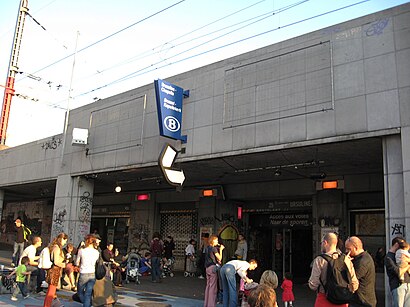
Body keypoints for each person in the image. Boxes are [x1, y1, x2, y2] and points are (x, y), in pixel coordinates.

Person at [308, 232, 358, 307]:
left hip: (324, 299)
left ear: (325, 242)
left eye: (321, 243)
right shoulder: (346, 260)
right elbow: (355, 284)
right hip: (342, 301)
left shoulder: (320, 260)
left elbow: (313, 285)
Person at [344, 236, 376, 307]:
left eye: (348, 249)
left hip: (363, 301)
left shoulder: (363, 261)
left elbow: (350, 278)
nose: (346, 251)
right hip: (359, 300)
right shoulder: (360, 258)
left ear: (356, 248)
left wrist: (346, 264)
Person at [43, 232, 68, 307]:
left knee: (51, 292)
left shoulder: (55, 247)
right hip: (54, 271)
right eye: (64, 240)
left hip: (54, 271)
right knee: (51, 292)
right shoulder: (56, 248)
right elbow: (56, 261)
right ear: (61, 239)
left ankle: (54, 304)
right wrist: (64, 265)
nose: (65, 243)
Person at [75, 234, 100, 307]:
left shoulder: (82, 251)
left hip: (83, 273)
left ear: (87, 241)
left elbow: (77, 262)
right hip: (92, 273)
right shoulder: (96, 252)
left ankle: (87, 304)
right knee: (88, 293)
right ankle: (87, 304)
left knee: (80, 292)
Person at [385, 236, 410, 307]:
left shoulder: (403, 253)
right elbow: (397, 272)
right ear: (396, 245)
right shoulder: (389, 257)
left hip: (408, 283)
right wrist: (408, 265)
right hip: (398, 285)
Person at [204, 235, 224, 307]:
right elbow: (219, 258)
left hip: (207, 268)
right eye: (216, 240)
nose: (217, 242)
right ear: (213, 241)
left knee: (208, 286)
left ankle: (206, 303)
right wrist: (221, 250)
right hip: (212, 268)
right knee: (213, 287)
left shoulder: (207, 248)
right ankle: (211, 305)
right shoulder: (214, 249)